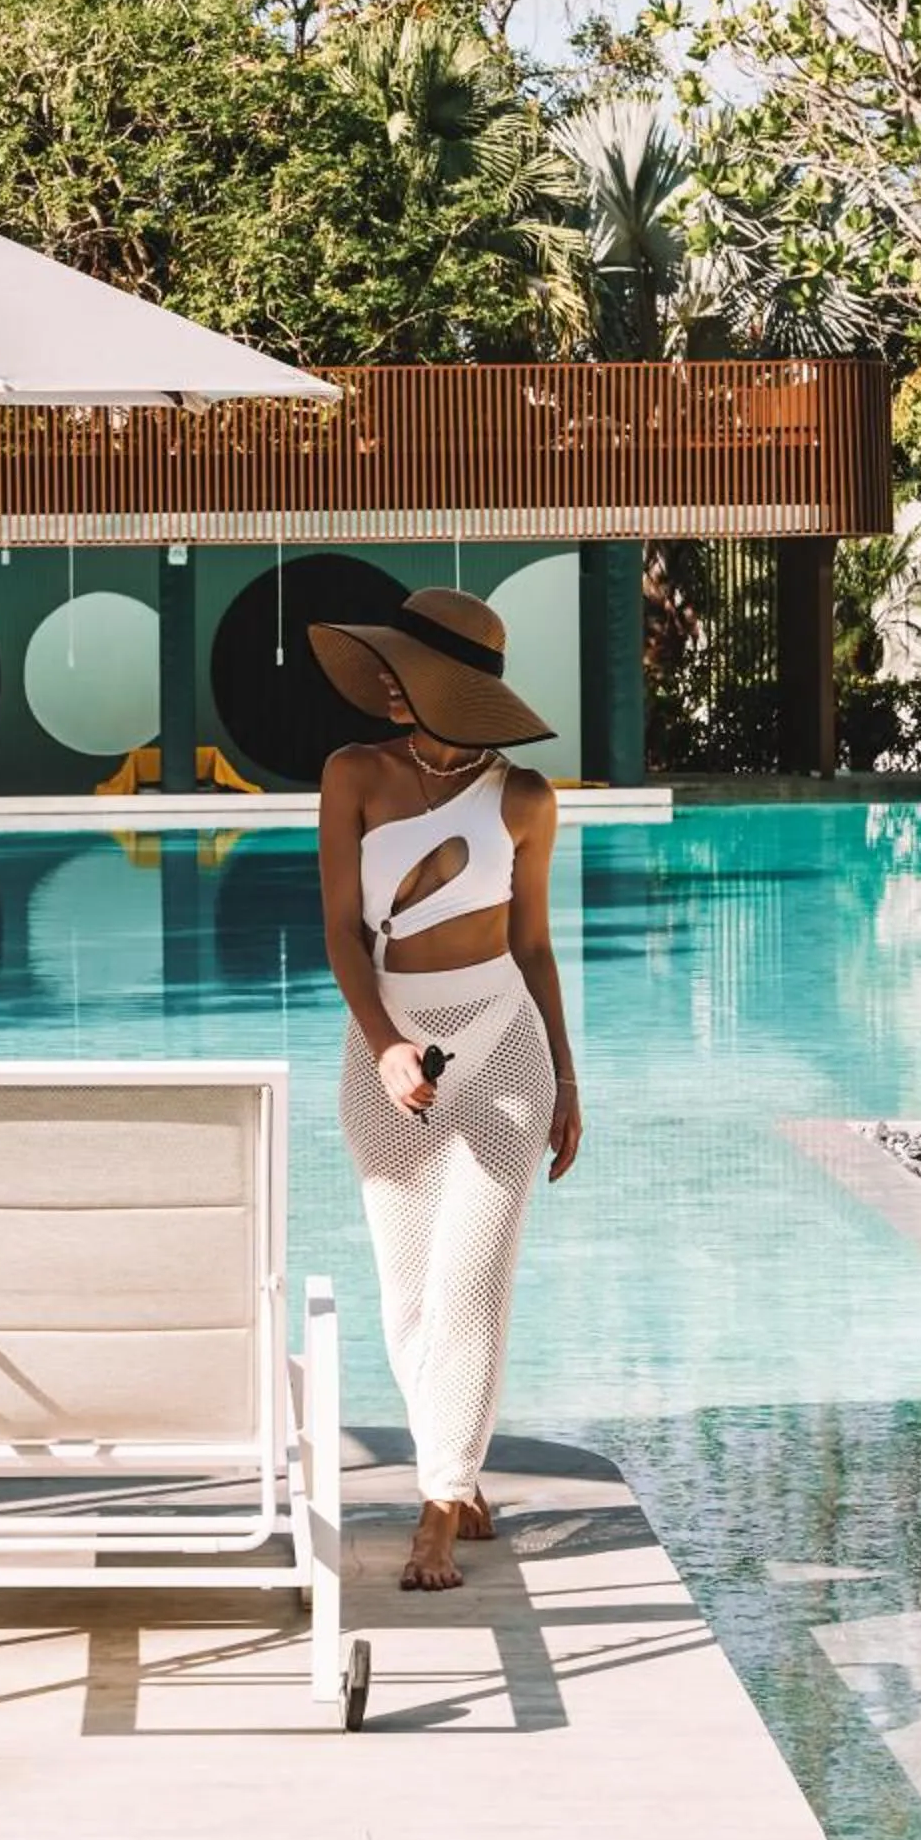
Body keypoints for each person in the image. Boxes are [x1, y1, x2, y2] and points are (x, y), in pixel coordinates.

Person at [311, 587, 582, 1593]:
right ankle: (457, 1472)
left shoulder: (524, 799)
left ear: (450, 689)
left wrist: (563, 1073)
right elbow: (342, 932)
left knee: (471, 1287)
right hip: (384, 1043)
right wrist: (384, 1045)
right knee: (407, 1295)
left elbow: (533, 944)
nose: (384, 684)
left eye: (403, 673)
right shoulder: (352, 776)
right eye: (385, 669)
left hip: (502, 1047)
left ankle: (436, 1504)